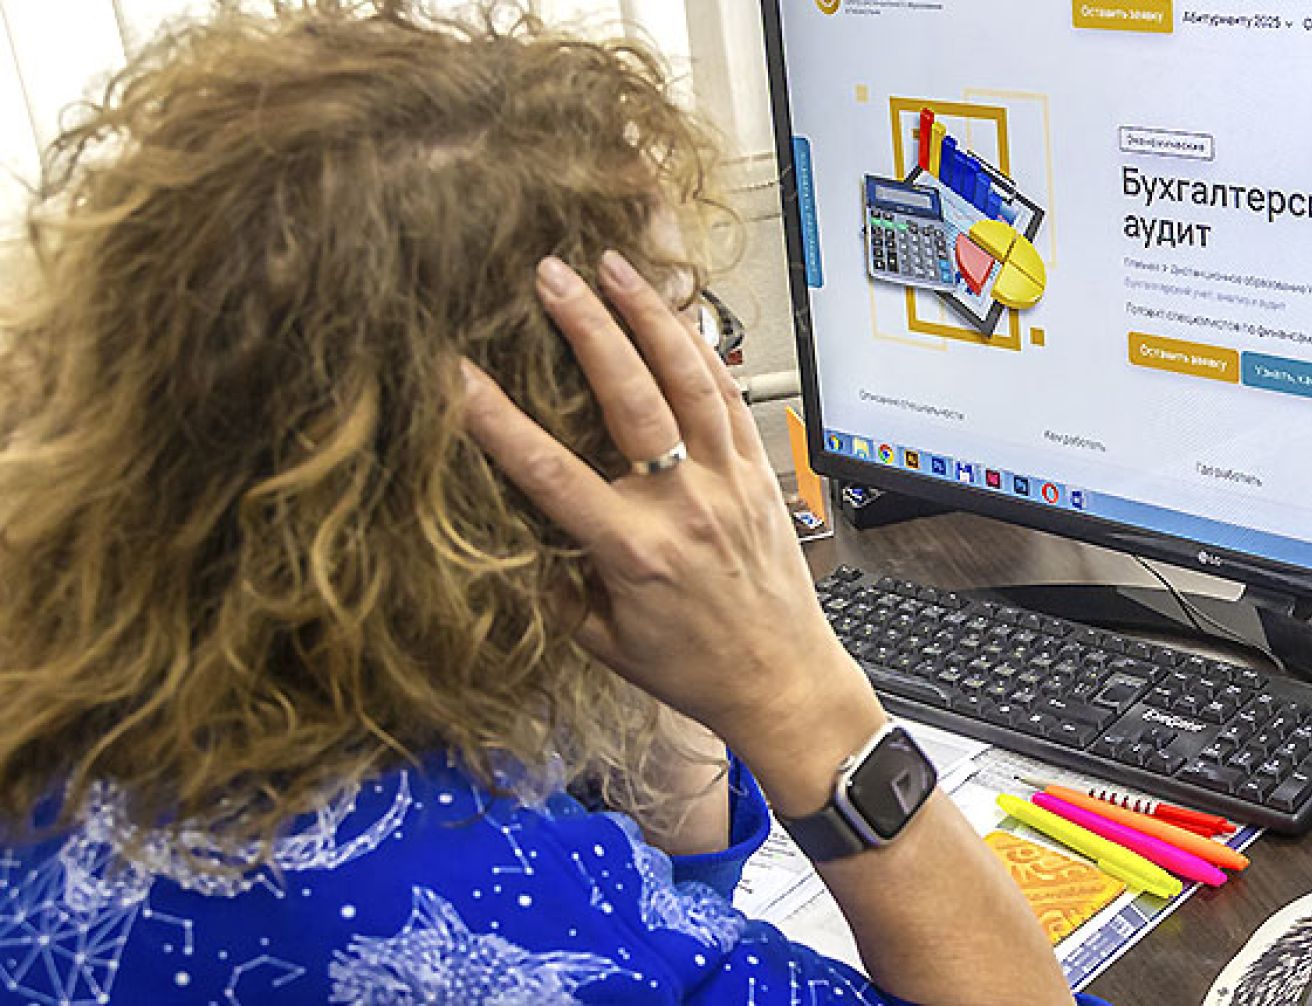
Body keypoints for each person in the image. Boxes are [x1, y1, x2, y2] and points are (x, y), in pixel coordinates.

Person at [0, 3, 1101, 1003]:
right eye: (679, 330)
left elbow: (676, 905)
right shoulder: (486, 923)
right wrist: (805, 697)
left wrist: (672, 680)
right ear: (529, 458)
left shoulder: (107, 690)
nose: (715, 372)